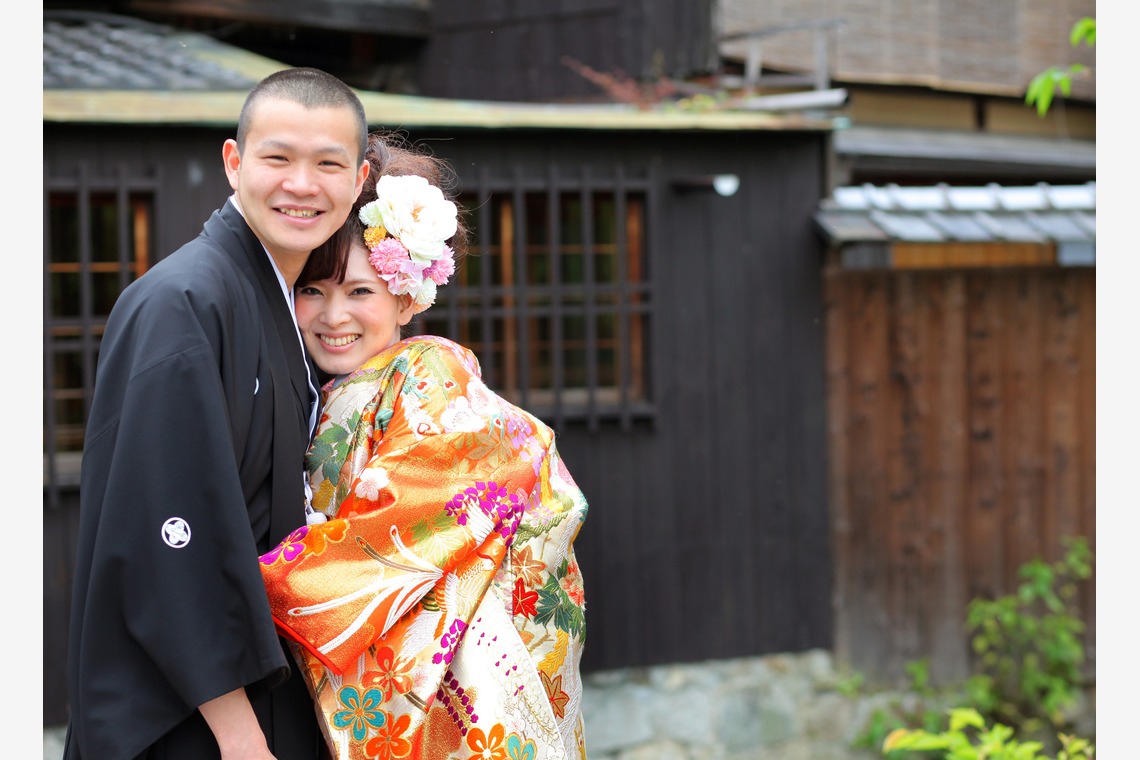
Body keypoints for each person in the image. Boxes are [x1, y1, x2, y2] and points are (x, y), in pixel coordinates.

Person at [64, 67, 370, 760]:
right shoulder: (184, 302)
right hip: (189, 716)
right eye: (277, 158)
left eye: (328, 164)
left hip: (257, 700)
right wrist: (239, 736)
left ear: (358, 179)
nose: (302, 184)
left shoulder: (279, 302)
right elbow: (165, 532)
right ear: (234, 164)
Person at [258, 134, 590, 759]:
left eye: (359, 292)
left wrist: (266, 586)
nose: (334, 316)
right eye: (312, 291)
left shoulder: (431, 373)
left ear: (406, 297)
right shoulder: (320, 386)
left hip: (470, 656)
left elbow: (416, 511)